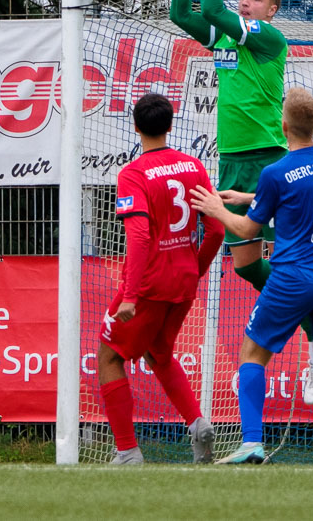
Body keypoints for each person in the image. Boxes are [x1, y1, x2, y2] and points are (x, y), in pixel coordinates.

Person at [169, 0, 313, 405]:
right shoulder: (224, 35)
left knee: (290, 261)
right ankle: (306, 319)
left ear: (272, 10)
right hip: (233, 160)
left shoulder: (267, 38)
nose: (245, 1)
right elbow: (181, 12)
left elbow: (211, 4)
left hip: (269, 159)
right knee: (243, 266)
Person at [189, 88, 313, 466]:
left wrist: (217, 207)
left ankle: (252, 442)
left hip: (293, 278)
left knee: (252, 352)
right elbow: (302, 191)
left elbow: (248, 231)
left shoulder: (275, 172)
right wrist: (249, 196)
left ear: (282, 126)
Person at [97, 93, 225, 465]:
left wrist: (130, 296)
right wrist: (194, 269)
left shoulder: (133, 174)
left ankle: (127, 452)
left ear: (136, 127)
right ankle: (198, 424)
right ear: (171, 126)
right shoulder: (193, 166)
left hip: (148, 286)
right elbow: (215, 230)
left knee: (108, 357)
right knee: (160, 353)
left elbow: (137, 237)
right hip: (182, 282)